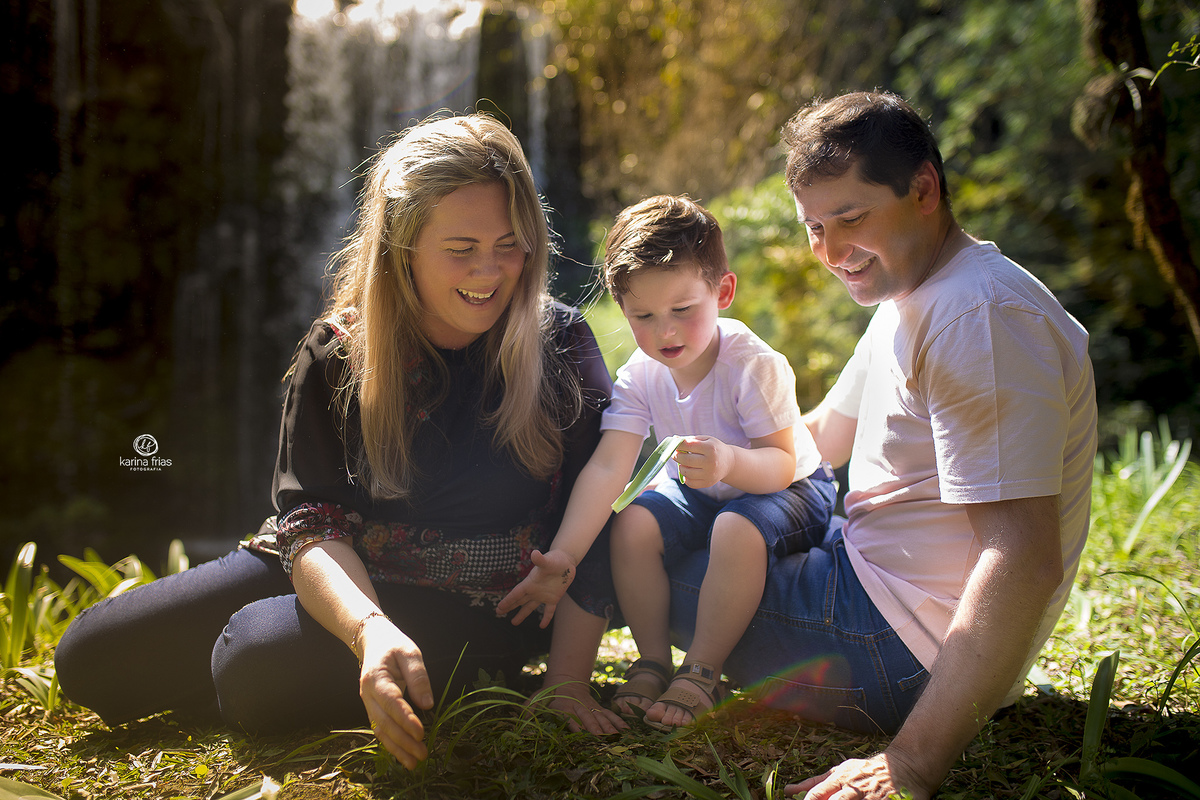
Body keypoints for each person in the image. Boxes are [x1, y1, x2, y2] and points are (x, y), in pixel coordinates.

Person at [53, 113, 627, 770]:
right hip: (342, 562)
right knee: (91, 659)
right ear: (402, 246)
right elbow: (313, 521)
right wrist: (368, 629)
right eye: (461, 248)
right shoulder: (340, 351)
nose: (490, 271)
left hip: (483, 598)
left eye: (509, 243)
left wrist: (568, 677)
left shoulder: (560, 345)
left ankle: (466, 674)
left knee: (253, 664)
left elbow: (605, 509)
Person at [656, 92, 1095, 800]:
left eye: (850, 219)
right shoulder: (913, 295)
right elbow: (819, 438)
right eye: (814, 227)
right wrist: (708, 452)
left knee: (637, 557)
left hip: (902, 647)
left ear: (923, 189)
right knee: (666, 518)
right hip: (863, 570)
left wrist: (911, 764)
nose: (829, 252)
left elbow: (1023, 555)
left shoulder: (979, 319)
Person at [498, 195, 837, 730]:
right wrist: (563, 557)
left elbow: (780, 461)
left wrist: (727, 461)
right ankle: (653, 660)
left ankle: (701, 670)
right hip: (704, 485)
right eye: (643, 316)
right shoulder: (641, 373)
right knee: (632, 522)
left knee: (735, 527)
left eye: (683, 310)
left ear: (722, 291)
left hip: (789, 486)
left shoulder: (751, 364)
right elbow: (610, 468)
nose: (665, 333)